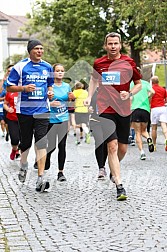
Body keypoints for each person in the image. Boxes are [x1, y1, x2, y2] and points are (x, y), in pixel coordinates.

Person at [84, 32, 142, 200]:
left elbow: (138, 84)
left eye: (116, 43)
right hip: (105, 109)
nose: (113, 46)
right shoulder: (99, 63)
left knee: (122, 149)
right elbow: (94, 80)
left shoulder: (128, 63)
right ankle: (119, 186)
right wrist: (89, 96)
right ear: (105, 46)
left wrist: (129, 93)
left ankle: (113, 168)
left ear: (120, 45)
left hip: (123, 110)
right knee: (113, 146)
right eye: (110, 44)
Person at [7, 39, 54, 192]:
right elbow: (9, 87)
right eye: (36, 49)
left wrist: (50, 92)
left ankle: (41, 178)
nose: (40, 51)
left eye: (41, 48)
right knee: (25, 142)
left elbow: (50, 84)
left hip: (42, 110)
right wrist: (24, 88)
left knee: (41, 142)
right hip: (24, 111)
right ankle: (24, 164)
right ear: (30, 50)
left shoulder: (47, 67)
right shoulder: (20, 67)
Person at [45, 63, 75, 181]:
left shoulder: (67, 86)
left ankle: (60, 172)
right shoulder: (49, 86)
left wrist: (71, 98)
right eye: (57, 70)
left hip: (63, 119)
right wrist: (49, 103)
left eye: (62, 70)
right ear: (53, 73)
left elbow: (70, 102)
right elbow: (42, 101)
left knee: (62, 145)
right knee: (51, 146)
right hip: (51, 119)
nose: (60, 72)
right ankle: (47, 157)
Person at [130, 71, 155, 160]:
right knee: (144, 130)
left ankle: (142, 152)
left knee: (137, 133)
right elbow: (153, 92)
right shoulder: (146, 83)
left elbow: (130, 97)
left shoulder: (132, 84)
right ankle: (149, 138)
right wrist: (147, 97)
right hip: (145, 110)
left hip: (135, 109)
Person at [89, 87, 108, 179]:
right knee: (99, 141)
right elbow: (87, 103)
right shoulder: (93, 91)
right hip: (94, 120)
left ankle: (104, 165)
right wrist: (88, 108)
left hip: (107, 120)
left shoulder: (110, 90)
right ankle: (101, 168)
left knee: (106, 144)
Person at [150, 75, 167, 151]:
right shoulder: (163, 89)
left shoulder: (151, 89)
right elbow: (165, 99)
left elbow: (149, 99)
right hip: (163, 108)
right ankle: (166, 138)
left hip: (154, 108)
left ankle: (154, 145)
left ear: (152, 82)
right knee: (164, 125)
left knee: (154, 128)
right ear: (158, 81)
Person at [3, 91, 20, 160]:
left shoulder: (26, 90)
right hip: (12, 118)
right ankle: (14, 149)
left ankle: (18, 151)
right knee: (14, 138)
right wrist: (8, 109)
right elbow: (5, 104)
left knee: (24, 139)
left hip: (24, 118)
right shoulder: (10, 92)